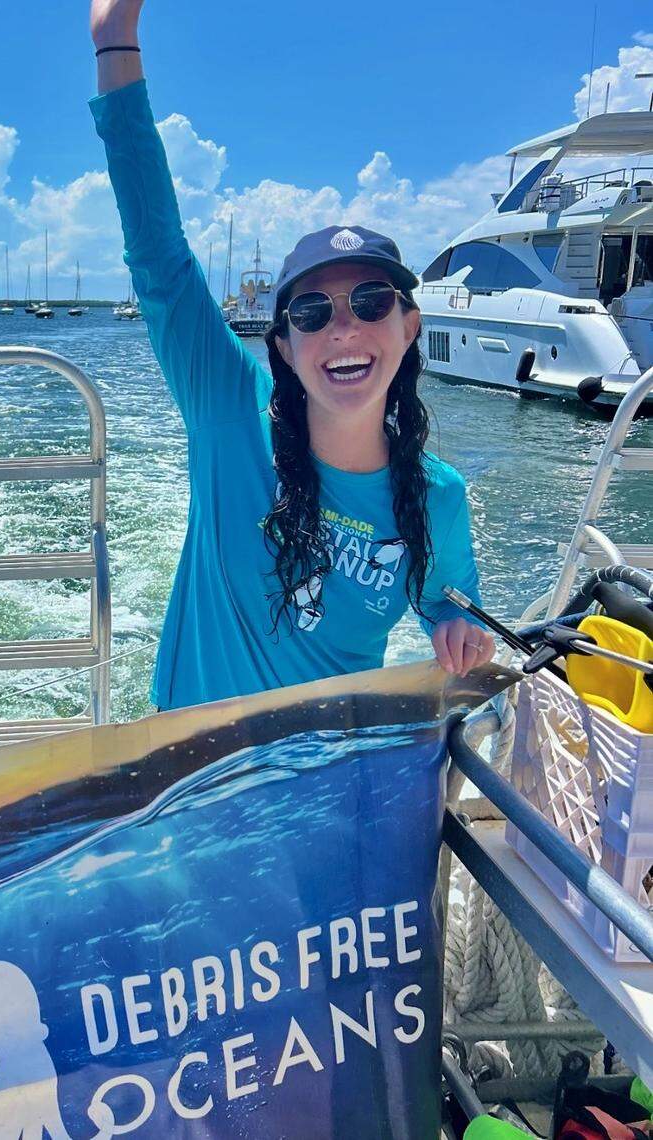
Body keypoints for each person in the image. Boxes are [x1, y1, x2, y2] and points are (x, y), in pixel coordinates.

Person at [89, 0, 495, 712]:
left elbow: (445, 601)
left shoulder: (439, 497)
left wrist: (456, 627)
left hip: (328, 773)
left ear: (409, 328)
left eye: (370, 303)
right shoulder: (228, 420)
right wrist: (115, 42)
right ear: (282, 344)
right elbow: (160, 262)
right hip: (194, 768)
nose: (343, 328)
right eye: (312, 312)